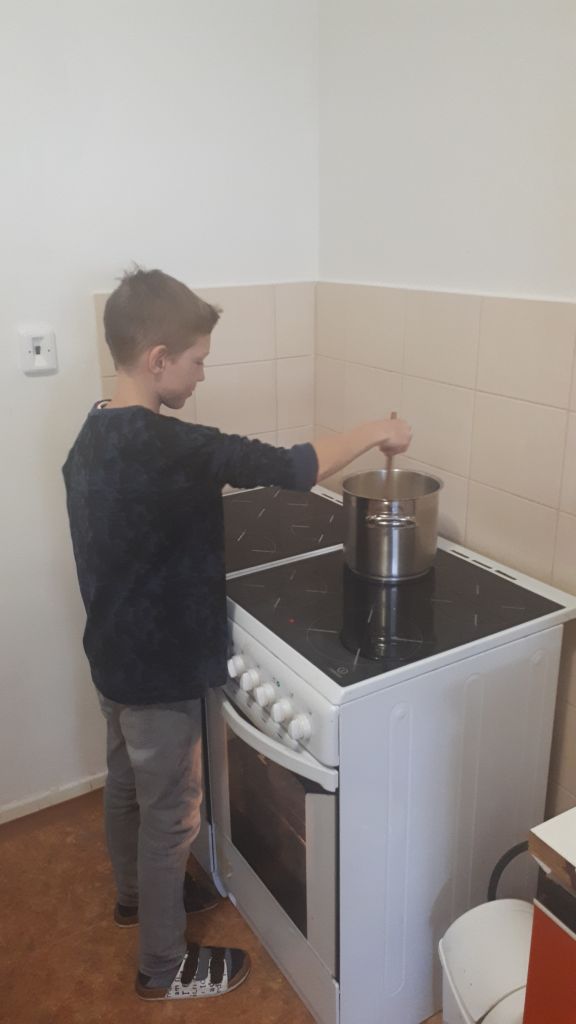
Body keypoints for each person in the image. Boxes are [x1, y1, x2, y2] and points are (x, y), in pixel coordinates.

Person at [62, 267, 412, 1003]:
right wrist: (377, 430)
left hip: (111, 657)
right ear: (158, 359)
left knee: (126, 786)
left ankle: (135, 899)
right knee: (172, 819)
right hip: (159, 672)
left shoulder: (92, 430)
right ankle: (163, 968)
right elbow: (291, 468)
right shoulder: (175, 446)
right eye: (196, 360)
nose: (202, 374)